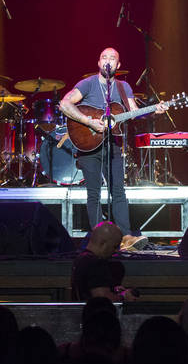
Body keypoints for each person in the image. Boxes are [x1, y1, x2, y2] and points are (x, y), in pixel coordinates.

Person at [59, 47, 164, 250]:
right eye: (104, 57)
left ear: (118, 65)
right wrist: (88, 121)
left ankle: (125, 237)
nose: (108, 60)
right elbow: (65, 104)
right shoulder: (87, 83)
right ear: (99, 63)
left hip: (113, 143)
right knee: (94, 193)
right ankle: (100, 239)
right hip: (89, 143)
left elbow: (133, 113)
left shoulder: (124, 87)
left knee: (118, 191)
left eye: (113, 58)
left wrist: (153, 111)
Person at [71, 221, 139, 302]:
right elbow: (102, 298)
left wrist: (113, 290)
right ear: (103, 243)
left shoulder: (80, 259)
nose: (115, 251)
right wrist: (123, 297)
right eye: (114, 246)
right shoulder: (96, 263)